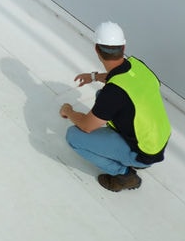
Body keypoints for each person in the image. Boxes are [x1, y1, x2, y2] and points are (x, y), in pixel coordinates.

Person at [59, 21, 171, 192]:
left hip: (143, 153)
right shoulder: (138, 66)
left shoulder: (113, 93)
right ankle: (129, 156)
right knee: (101, 97)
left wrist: (69, 111)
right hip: (157, 139)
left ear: (96, 49)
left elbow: (86, 126)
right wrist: (93, 76)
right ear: (124, 47)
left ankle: (125, 175)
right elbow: (119, 76)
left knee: (74, 136)